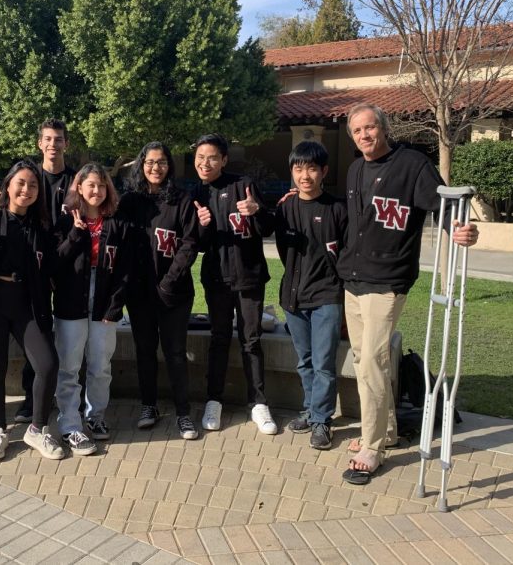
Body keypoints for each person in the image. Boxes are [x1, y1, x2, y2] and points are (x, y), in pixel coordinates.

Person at [339, 103, 478, 485]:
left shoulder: (412, 165)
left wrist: (462, 229)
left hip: (388, 281)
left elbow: (442, 204)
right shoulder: (354, 170)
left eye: (370, 128)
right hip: (353, 279)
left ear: (384, 128)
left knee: (370, 361)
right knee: (365, 358)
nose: (364, 135)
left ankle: (372, 447)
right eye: (357, 131)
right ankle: (384, 432)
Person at [0, 160, 63, 461]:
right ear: (8, 186)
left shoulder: (40, 224)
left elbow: (53, 262)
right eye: (21, 183)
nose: (26, 189)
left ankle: (37, 429)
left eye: (33, 185)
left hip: (27, 304)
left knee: (47, 364)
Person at [192, 134, 278, 436]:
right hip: (216, 279)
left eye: (212, 157)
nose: (205, 163)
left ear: (224, 160)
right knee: (218, 338)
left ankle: (258, 403)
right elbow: (199, 245)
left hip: (249, 276)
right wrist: (201, 225)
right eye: (200, 157)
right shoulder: (197, 194)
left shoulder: (244, 185)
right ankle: (214, 400)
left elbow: (268, 227)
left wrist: (257, 211)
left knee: (251, 340)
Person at [118, 142, 200, 440]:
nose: (156, 167)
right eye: (150, 162)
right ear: (141, 165)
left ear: (170, 166)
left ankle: (183, 413)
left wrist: (168, 282)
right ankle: (149, 405)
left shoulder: (182, 200)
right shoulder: (130, 202)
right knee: (144, 351)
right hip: (139, 294)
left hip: (174, 292)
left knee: (176, 353)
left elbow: (189, 244)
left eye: (162, 162)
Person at [273, 141, 347, 450]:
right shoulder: (285, 207)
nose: (305, 175)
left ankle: (322, 420)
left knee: (323, 362)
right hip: (294, 297)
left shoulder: (337, 208)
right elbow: (281, 249)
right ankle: (310, 409)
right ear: (292, 171)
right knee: (303, 361)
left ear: (324, 171)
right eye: (299, 168)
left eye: (312, 169)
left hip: (327, 295)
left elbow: (345, 254)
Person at [54, 163, 129, 455]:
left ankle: (95, 417)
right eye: (90, 185)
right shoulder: (66, 220)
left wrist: (114, 306)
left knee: (100, 366)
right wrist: (74, 233)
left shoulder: (116, 222)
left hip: (105, 299)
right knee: (69, 366)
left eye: (101, 185)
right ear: (79, 188)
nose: (96, 191)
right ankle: (70, 425)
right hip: (71, 298)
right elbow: (56, 263)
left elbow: (125, 269)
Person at [15, 118, 77, 424]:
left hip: (70, 268)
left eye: (59, 139)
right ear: (40, 143)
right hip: (34, 268)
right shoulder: (30, 178)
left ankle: (70, 398)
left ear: (67, 143)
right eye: (48, 139)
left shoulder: (76, 180)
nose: (54, 144)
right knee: (36, 333)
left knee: (70, 338)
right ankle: (32, 399)